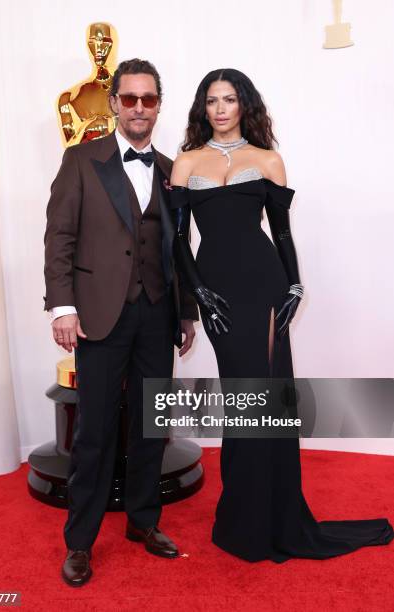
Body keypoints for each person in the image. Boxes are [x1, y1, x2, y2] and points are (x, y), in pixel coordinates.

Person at [169, 68, 394, 563]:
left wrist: (295, 284)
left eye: (229, 99)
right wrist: (200, 292)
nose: (221, 108)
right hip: (218, 290)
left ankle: (271, 516)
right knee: (240, 395)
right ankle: (243, 515)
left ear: (244, 104)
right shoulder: (186, 163)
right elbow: (177, 240)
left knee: (265, 396)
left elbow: (283, 233)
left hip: (265, 284)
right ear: (202, 108)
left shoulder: (268, 159)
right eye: (212, 100)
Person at [44, 58, 199, 586]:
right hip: (98, 318)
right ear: (113, 104)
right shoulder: (81, 160)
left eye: (148, 99)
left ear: (158, 105)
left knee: (151, 427)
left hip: (157, 314)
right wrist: (62, 306)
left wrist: (185, 312)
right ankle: (80, 543)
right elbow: (59, 236)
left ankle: (143, 522)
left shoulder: (171, 167)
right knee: (95, 434)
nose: (138, 108)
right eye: (128, 98)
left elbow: (179, 248)